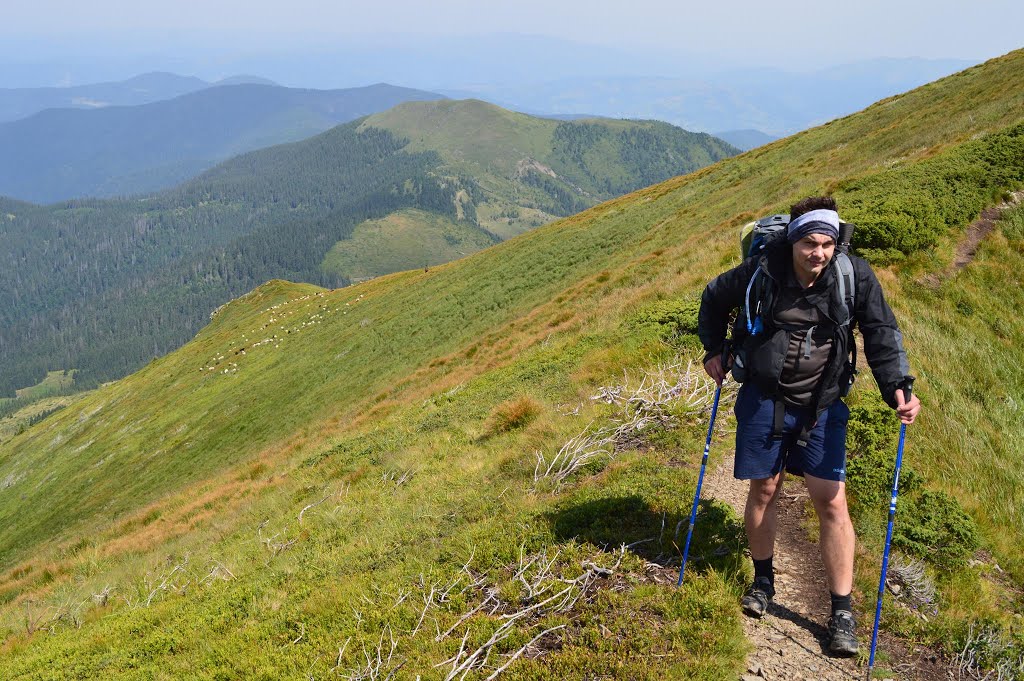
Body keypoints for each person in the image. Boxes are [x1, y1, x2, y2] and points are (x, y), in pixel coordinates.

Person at [697, 196, 921, 656]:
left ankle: (841, 611)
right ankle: (763, 582)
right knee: (764, 489)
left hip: (824, 404)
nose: (818, 253)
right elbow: (714, 298)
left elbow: (881, 332)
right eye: (809, 243)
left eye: (827, 244)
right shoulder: (763, 269)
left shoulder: (852, 275)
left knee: (831, 501)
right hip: (765, 396)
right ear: (792, 240)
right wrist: (713, 349)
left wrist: (897, 385)